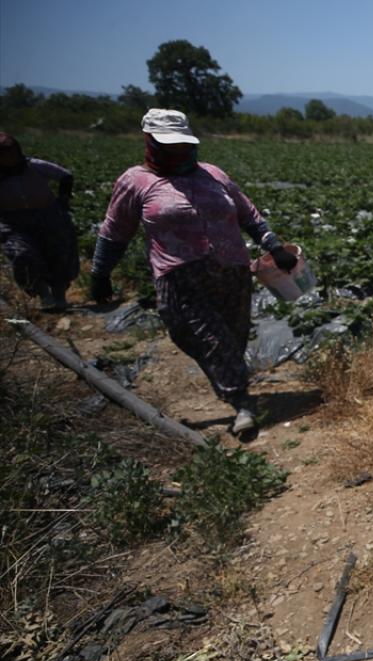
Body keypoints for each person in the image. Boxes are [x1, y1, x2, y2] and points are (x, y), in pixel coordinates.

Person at [89, 109, 298, 438]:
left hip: (232, 273)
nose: (179, 151)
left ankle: (233, 388)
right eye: (170, 146)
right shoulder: (136, 181)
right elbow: (115, 231)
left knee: (233, 337)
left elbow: (249, 215)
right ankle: (242, 402)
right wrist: (100, 272)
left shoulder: (212, 174)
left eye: (183, 145)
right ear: (151, 142)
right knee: (209, 339)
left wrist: (274, 246)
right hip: (181, 278)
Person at [0, 133, 78, 312]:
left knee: (59, 253)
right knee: (22, 254)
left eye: (11, 154)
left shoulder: (34, 166)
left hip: (48, 216)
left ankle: (59, 297)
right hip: (13, 222)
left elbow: (65, 176)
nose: (9, 159)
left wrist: (63, 200)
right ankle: (44, 295)